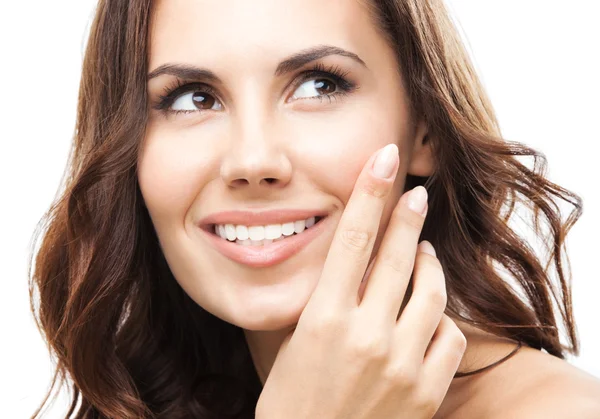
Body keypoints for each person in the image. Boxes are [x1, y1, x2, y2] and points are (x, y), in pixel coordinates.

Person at [29, 0, 600, 418]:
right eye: (193, 98)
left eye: (319, 85)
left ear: (424, 126)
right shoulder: (152, 397)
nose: (252, 159)